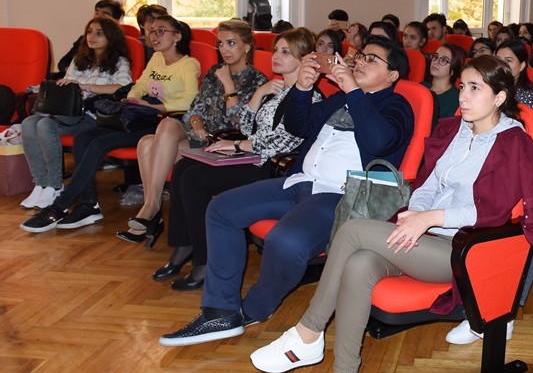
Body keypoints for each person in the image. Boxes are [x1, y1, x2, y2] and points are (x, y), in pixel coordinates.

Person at [247, 56, 533, 373]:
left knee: (354, 229)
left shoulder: (513, 142)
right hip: (423, 238)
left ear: (500, 96)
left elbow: (510, 211)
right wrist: (417, 212)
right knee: (359, 264)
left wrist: (433, 218)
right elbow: (427, 185)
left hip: (462, 250)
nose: (464, 97)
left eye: (476, 89)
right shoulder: (456, 129)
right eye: (462, 87)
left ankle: (308, 333)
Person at [158, 35, 415, 346]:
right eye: (361, 56)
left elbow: (379, 142)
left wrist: (351, 89)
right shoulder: (340, 99)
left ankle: (253, 308)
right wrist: (303, 90)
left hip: (340, 196)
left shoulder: (397, 106)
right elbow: (298, 127)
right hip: (298, 182)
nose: (359, 61)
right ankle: (220, 311)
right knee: (222, 209)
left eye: (371, 60)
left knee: (286, 240)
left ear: (392, 76)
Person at [154, 29, 319, 291]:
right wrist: (258, 95)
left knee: (194, 180)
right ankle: (185, 244)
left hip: (271, 168)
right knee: (184, 166)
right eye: (276, 50)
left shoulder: (307, 96)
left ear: (304, 58)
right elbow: (245, 125)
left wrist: (237, 145)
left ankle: (205, 261)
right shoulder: (276, 90)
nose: (276, 56)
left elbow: (286, 141)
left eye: (286, 52)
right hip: (252, 157)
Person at [22, 15, 201, 233]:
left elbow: (190, 100)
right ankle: (89, 205)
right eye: (151, 31)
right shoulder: (155, 59)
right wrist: (133, 99)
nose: (154, 36)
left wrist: (155, 107)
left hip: (165, 125)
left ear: (177, 35)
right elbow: (139, 85)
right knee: (83, 138)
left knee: (98, 145)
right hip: (140, 117)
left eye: (160, 31)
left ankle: (59, 206)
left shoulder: (188, 64)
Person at [116, 20, 267, 246]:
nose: (225, 49)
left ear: (246, 47)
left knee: (154, 138)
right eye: (221, 43)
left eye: (232, 43)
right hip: (200, 135)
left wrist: (228, 85)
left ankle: (151, 211)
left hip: (224, 146)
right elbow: (195, 108)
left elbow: (241, 126)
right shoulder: (214, 72)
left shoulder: (257, 80)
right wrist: (196, 122)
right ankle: (151, 208)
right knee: (147, 141)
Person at [21, 16, 134, 210]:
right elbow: (68, 87)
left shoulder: (119, 61)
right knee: (28, 123)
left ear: (110, 36)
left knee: (45, 125)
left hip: (91, 115)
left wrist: (84, 85)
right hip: (66, 111)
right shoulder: (79, 59)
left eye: (99, 33)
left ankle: (56, 186)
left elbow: (123, 86)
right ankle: (41, 184)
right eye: (89, 32)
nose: (92, 37)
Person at [56, 0, 125, 75]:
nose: (98, 16)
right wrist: (73, 73)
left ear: (116, 20)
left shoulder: (120, 46)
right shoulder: (85, 39)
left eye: (105, 14)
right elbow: (63, 63)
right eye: (96, 12)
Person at [496, 39, 533, 115]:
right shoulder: (490, 87)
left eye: (508, 60)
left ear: (522, 66)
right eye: (498, 60)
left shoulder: (528, 96)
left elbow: (530, 125)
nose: (501, 65)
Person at [424, 42, 466, 118]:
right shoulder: (421, 87)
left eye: (443, 60)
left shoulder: (456, 98)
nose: (435, 62)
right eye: (435, 56)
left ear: (453, 69)